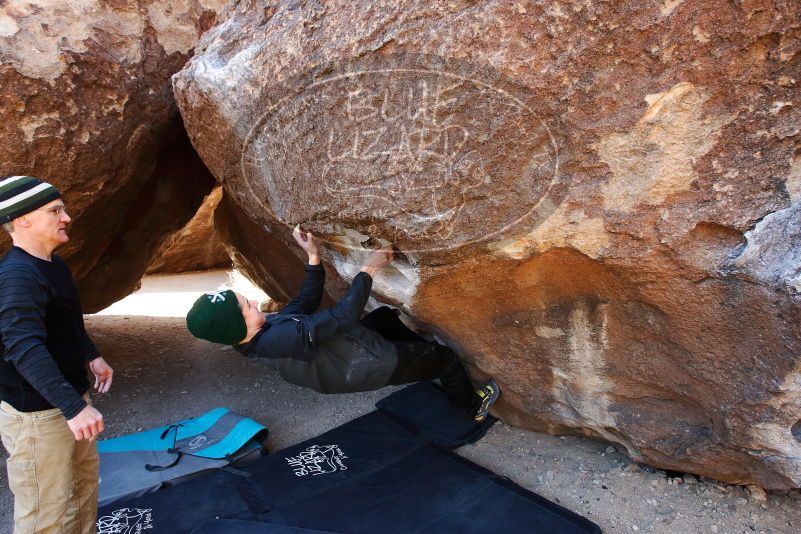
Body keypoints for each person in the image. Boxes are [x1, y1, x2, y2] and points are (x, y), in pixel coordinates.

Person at [187, 225, 499, 422]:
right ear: (237, 328)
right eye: (246, 307)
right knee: (444, 360)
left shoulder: (263, 331)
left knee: (385, 318)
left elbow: (303, 303)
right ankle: (470, 408)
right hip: (365, 366)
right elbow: (342, 317)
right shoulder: (277, 341)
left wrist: (313, 256)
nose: (255, 303)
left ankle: (417, 359)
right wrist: (368, 270)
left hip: (346, 352)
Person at [0, 175, 113, 533]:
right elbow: (22, 346)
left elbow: (67, 320)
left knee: (82, 492)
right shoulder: (17, 276)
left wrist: (91, 353)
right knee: (43, 517)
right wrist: (75, 407)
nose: (67, 218)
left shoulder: (53, 264)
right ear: (22, 220)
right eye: (55, 210)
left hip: (66, 401)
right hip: (38, 415)